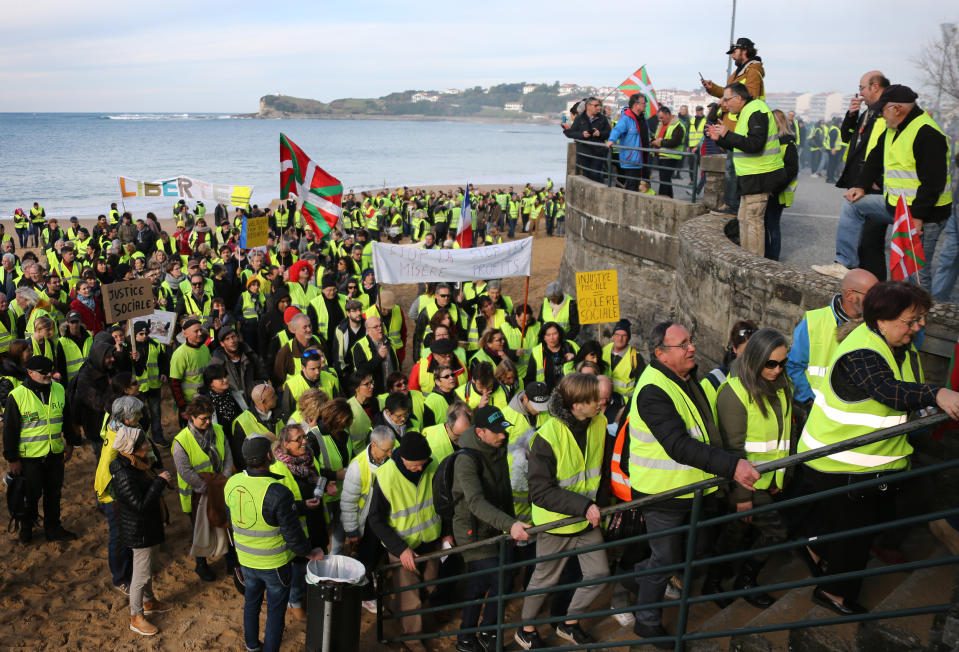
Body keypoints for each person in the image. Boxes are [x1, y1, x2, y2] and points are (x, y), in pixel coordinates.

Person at [796, 282, 959, 614]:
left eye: (922, 318)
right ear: (882, 320)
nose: (919, 327)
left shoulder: (893, 342)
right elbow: (889, 390)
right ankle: (833, 594)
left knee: (860, 522)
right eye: (911, 320)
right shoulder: (861, 352)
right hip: (839, 464)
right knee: (853, 537)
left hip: (865, 463)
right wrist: (936, 393)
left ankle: (814, 547)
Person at [628, 322, 760, 647]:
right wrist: (733, 466)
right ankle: (646, 624)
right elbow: (679, 445)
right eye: (683, 344)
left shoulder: (684, 377)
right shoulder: (653, 390)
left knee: (693, 550)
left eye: (691, 340)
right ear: (660, 354)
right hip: (662, 493)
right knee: (667, 559)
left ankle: (641, 574)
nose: (692, 348)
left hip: (693, 488)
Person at [813, 85, 953, 281]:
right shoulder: (893, 127)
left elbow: (933, 183)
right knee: (853, 205)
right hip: (896, 205)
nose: (879, 115)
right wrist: (861, 186)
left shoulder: (927, 133)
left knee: (917, 276)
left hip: (925, 214)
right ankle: (844, 263)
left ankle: (922, 310)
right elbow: (875, 159)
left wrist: (918, 217)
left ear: (897, 109)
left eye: (882, 110)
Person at [514, 373, 608, 649]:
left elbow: (597, 469)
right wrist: (586, 505)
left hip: (586, 520)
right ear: (577, 405)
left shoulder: (599, 422)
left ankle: (568, 622)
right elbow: (540, 492)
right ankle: (526, 629)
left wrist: (596, 505)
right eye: (594, 399)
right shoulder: (547, 437)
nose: (601, 403)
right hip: (555, 524)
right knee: (544, 580)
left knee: (599, 573)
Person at [713, 328, 792, 609]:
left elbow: (782, 439)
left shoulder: (783, 386)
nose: (777, 369)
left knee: (735, 534)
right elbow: (733, 451)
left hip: (768, 480)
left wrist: (780, 477)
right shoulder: (733, 394)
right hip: (746, 485)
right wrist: (742, 497)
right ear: (755, 359)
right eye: (771, 363)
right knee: (776, 533)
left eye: (783, 362)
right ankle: (743, 581)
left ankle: (715, 581)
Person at [225, 435, 325, 652]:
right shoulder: (278, 491)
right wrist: (310, 552)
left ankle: (252, 646)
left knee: (251, 604)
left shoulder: (232, 483)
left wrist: (298, 506)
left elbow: (249, 512)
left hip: (246, 560)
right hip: (274, 563)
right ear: (269, 457)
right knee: (275, 612)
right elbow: (292, 534)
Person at [453, 406, 531, 652]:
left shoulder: (497, 449)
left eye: (503, 430)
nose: (503, 436)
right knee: (489, 579)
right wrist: (510, 524)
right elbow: (475, 502)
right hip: (472, 532)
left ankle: (485, 631)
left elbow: (504, 490)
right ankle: (467, 637)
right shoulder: (465, 459)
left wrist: (509, 527)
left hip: (497, 528)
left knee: (500, 579)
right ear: (480, 432)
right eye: (496, 432)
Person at [366, 431, 448, 651]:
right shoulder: (385, 476)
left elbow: (443, 502)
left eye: (424, 464)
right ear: (402, 458)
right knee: (411, 597)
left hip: (431, 541)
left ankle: (397, 607)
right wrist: (401, 549)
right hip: (401, 547)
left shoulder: (433, 464)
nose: (421, 468)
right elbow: (375, 519)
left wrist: (446, 533)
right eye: (416, 465)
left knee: (429, 587)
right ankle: (412, 639)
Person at [786, 268, 879, 430]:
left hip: (857, 421)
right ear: (850, 295)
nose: (878, 301)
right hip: (817, 416)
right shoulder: (814, 323)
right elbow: (793, 367)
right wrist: (810, 401)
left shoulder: (879, 325)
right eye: (872, 295)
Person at [2, 355, 79, 543]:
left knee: (53, 494)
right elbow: (10, 431)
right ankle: (26, 529)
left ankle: (53, 529)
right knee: (30, 496)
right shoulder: (17, 396)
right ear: (30, 373)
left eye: (50, 371)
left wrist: (70, 443)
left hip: (54, 454)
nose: (48, 375)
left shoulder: (59, 389)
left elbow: (67, 419)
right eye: (43, 372)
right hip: (29, 458)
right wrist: (13, 459)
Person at [109, 410, 174, 636]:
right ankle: (136, 616)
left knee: (147, 569)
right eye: (143, 442)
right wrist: (159, 483)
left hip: (149, 526)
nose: (148, 444)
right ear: (132, 449)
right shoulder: (124, 474)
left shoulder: (138, 464)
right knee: (140, 574)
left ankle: (148, 601)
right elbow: (140, 505)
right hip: (140, 530)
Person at [706, 82, 785, 256]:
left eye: (727, 100)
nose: (725, 104)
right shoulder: (747, 111)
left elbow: (755, 145)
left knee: (754, 222)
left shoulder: (756, 111)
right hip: (751, 177)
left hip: (760, 176)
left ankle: (753, 264)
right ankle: (746, 258)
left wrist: (727, 133)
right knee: (744, 219)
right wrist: (719, 139)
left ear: (738, 98)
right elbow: (740, 146)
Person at [269, 423, 331, 622]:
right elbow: (278, 506)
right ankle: (294, 602)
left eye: (304, 437)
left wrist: (326, 484)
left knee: (317, 563)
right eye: (299, 439)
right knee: (298, 570)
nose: (305, 441)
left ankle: (312, 597)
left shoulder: (309, 458)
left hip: (316, 522)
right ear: (285, 444)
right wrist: (303, 505)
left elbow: (318, 479)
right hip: (298, 529)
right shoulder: (277, 469)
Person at [702, 37, 767, 215]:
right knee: (731, 167)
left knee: (733, 168)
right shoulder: (739, 72)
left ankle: (732, 205)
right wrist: (711, 88)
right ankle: (732, 204)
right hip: (733, 127)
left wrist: (722, 105)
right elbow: (728, 93)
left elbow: (748, 96)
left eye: (734, 52)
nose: (732, 56)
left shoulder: (752, 71)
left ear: (744, 50)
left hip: (741, 127)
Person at [171, 395, 233, 582]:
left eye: (209, 417)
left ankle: (230, 561)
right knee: (200, 529)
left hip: (219, 487)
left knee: (226, 524)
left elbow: (228, 458)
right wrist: (207, 487)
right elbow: (184, 471)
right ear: (192, 418)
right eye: (203, 419)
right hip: (196, 494)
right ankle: (201, 564)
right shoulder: (181, 441)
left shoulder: (219, 431)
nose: (207, 422)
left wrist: (224, 480)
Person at [341, 425, 395, 612]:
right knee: (366, 560)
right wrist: (352, 530)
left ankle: (372, 583)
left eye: (392, 449)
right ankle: (365, 595)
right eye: (386, 449)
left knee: (378, 556)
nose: (390, 453)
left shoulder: (390, 460)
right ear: (374, 445)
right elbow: (348, 502)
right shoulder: (357, 467)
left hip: (384, 520)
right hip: (367, 524)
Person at [765, 109, 799, 261]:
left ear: (778, 123)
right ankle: (767, 255)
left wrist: (775, 189)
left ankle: (773, 258)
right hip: (771, 190)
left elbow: (791, 170)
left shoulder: (787, 143)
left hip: (778, 193)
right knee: (766, 225)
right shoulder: (773, 140)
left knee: (772, 226)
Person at [563, 97, 612, 183]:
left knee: (595, 174)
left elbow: (609, 134)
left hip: (598, 152)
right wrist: (582, 135)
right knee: (587, 175)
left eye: (599, 105)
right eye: (596, 105)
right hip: (584, 152)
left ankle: (599, 191)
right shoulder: (579, 118)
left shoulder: (603, 118)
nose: (599, 108)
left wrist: (600, 134)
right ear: (588, 106)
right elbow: (570, 133)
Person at [169, 318, 211, 417]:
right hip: (190, 405)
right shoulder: (180, 354)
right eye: (196, 331)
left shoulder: (204, 349)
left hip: (206, 399)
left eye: (201, 330)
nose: (200, 333)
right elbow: (174, 383)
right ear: (186, 334)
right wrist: (183, 408)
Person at [605, 94, 647, 191]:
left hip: (642, 158)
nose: (645, 105)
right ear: (636, 105)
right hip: (631, 158)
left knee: (638, 185)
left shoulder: (643, 119)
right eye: (644, 103)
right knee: (631, 185)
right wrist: (612, 140)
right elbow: (617, 129)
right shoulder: (626, 118)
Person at [351, 315, 399, 395]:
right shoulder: (359, 346)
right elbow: (361, 371)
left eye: (381, 325)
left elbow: (396, 364)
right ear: (368, 330)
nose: (380, 329)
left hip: (393, 390)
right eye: (376, 327)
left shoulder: (389, 342)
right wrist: (378, 357)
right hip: (374, 392)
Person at [601, 319, 646, 397]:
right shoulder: (604, 350)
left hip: (624, 403)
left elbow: (643, 384)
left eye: (624, 335)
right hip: (605, 399)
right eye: (617, 334)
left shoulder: (636, 357)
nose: (620, 338)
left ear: (628, 338)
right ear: (613, 336)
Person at [650, 107, 686, 198]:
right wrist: (653, 140)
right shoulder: (661, 124)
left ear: (668, 114)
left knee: (664, 180)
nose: (660, 120)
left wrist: (659, 142)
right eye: (659, 118)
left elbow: (675, 141)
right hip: (661, 155)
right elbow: (658, 136)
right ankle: (669, 198)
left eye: (662, 118)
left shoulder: (678, 125)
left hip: (670, 156)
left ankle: (663, 198)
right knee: (664, 179)